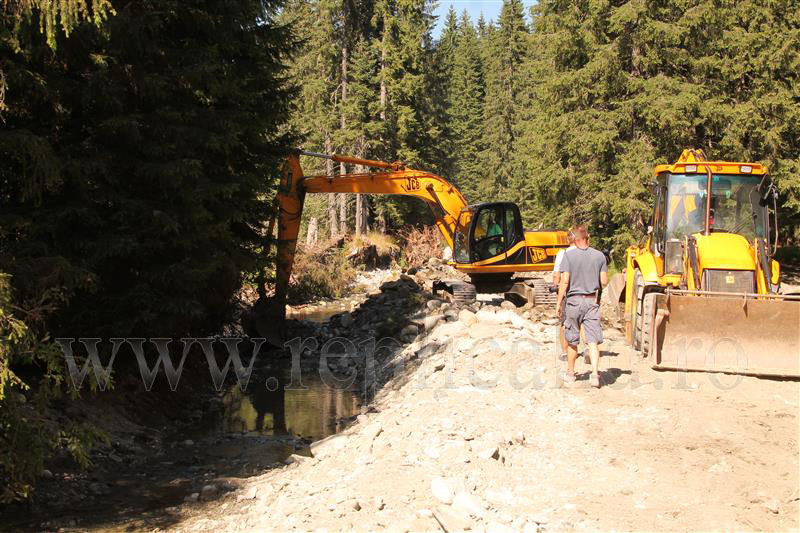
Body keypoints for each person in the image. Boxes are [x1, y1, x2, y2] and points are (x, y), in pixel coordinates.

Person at [556, 225, 609, 388]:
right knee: (593, 340)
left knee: (573, 340)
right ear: (587, 238)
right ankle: (594, 375)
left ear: (575, 239)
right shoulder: (599, 256)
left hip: (574, 301)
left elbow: (564, 281)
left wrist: (559, 303)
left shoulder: (568, 256)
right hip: (592, 301)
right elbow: (604, 281)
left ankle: (571, 373)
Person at [552, 228, 576, 362]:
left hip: (568, 292)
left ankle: (565, 351)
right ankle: (587, 349)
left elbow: (557, 275)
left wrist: (558, 296)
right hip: (585, 293)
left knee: (564, 323)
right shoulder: (587, 253)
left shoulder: (562, 254)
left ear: (568, 239)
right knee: (583, 323)